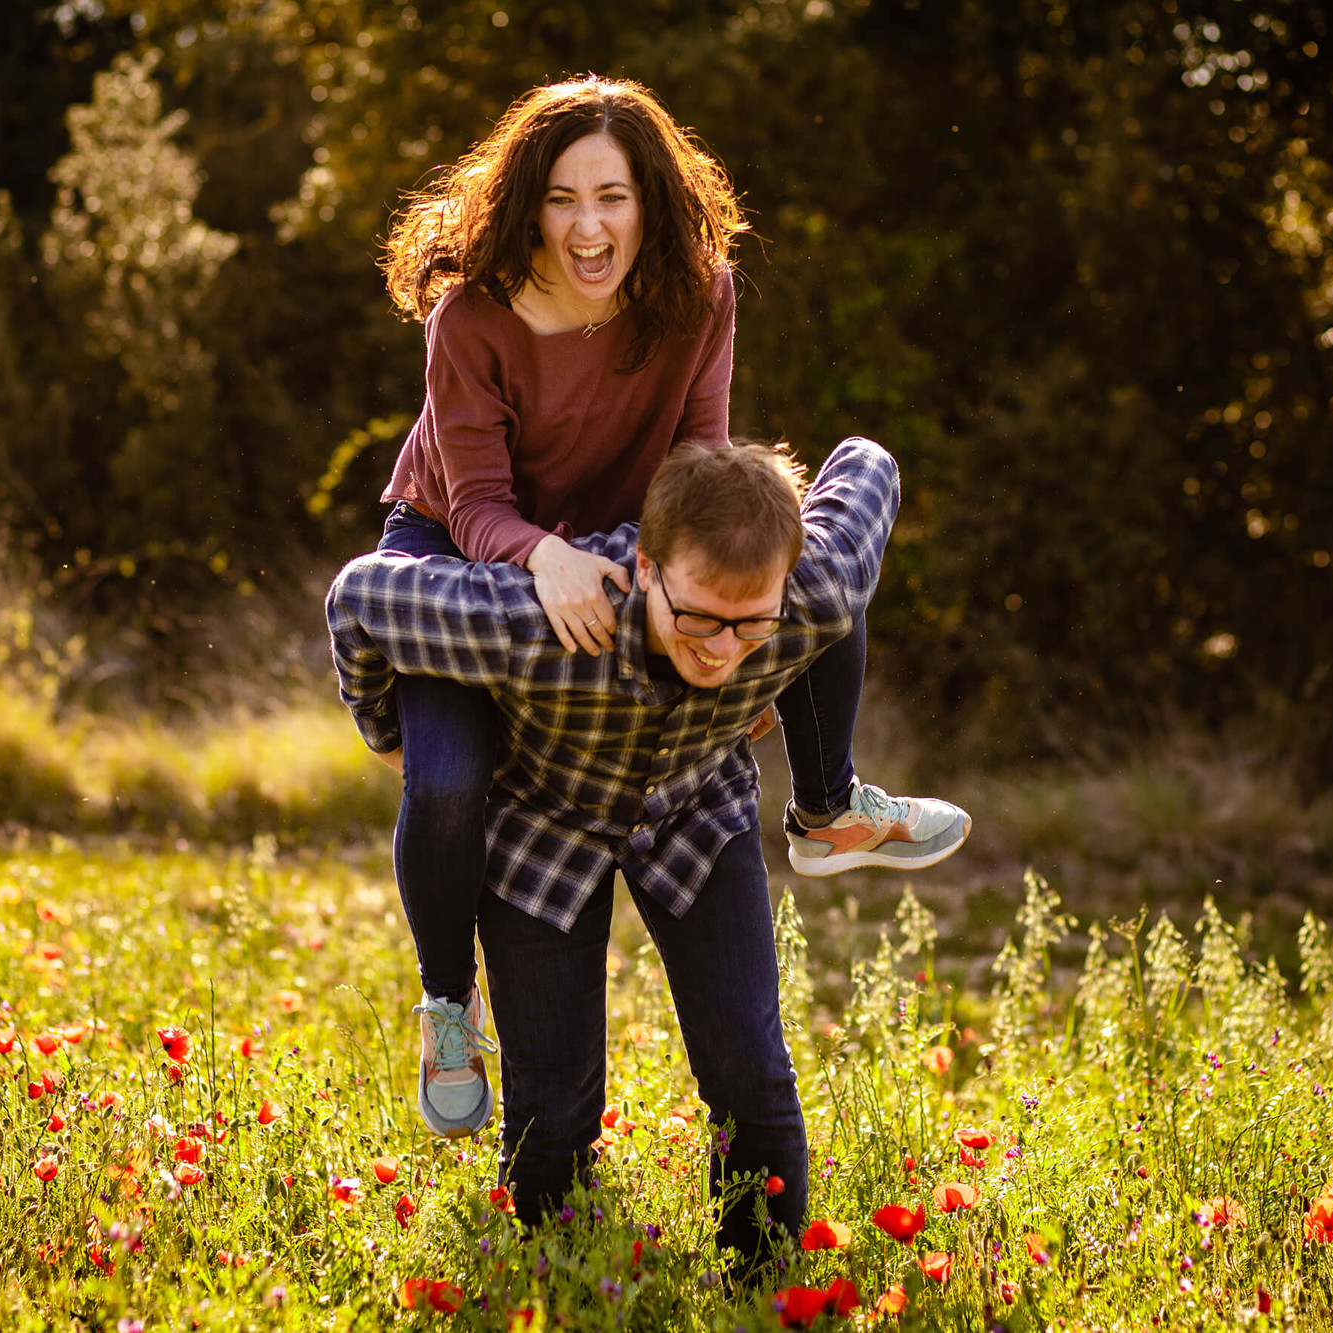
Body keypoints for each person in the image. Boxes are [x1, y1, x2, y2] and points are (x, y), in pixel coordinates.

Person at [371, 75, 969, 1138]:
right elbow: (473, 502)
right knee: (454, 780)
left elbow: (699, 451)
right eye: (559, 199)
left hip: (617, 533)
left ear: (649, 198)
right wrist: (542, 561)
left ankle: (827, 809)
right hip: (462, 542)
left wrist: (711, 620)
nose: (586, 225)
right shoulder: (472, 314)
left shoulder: (698, 292)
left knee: (813, 580)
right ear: (526, 205)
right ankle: (448, 1001)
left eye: (610, 195)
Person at [328, 436, 924, 1274]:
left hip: (695, 813)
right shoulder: (534, 622)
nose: (722, 648)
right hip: (547, 829)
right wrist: (394, 740)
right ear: (644, 568)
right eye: (698, 618)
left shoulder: (811, 593)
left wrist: (767, 626)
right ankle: (560, 1279)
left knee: (752, 1073)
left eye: (749, 624)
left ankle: (765, 1282)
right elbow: (359, 599)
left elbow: (869, 464)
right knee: (556, 1107)